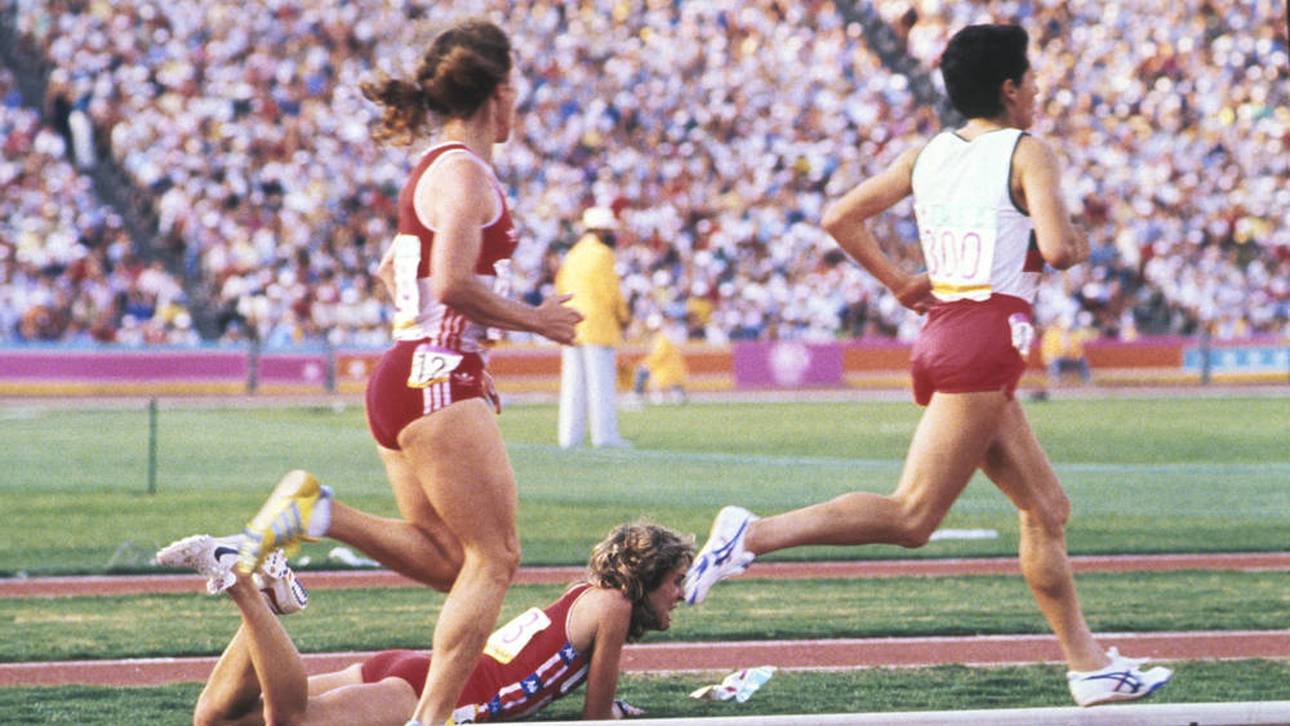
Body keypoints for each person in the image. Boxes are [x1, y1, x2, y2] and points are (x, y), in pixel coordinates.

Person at [682, 24, 1171, 709]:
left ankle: (1088, 666)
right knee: (913, 516)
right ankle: (752, 533)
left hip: (948, 327)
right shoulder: (1029, 151)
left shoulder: (929, 153)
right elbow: (1058, 250)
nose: (1036, 90)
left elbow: (840, 217)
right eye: (1030, 79)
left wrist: (899, 282)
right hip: (987, 335)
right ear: (1009, 88)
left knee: (1046, 508)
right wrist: (1082, 240)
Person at [233, 20, 582, 726]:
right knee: (498, 559)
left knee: (453, 561)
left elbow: (397, 270)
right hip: (436, 374)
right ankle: (433, 720)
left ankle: (318, 512)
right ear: (498, 93)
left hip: (408, 373)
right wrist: (534, 320)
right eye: (515, 88)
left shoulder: (433, 168)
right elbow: (450, 281)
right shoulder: (462, 171)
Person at [159, 522, 692, 725]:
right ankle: (249, 590)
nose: (681, 595)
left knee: (217, 720)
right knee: (290, 723)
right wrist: (612, 711)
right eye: (675, 581)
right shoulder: (616, 607)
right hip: (433, 694)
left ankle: (269, 599)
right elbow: (593, 721)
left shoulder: (588, 597)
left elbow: (550, 666)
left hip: (418, 673)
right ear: (645, 577)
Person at [556, 206, 632, 449]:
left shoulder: (573, 254)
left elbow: (561, 287)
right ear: (600, 231)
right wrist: (623, 315)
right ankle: (605, 436)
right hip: (598, 324)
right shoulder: (602, 254)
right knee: (601, 385)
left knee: (573, 387)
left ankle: (569, 438)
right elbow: (611, 290)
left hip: (573, 325)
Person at [628, 313, 689, 407]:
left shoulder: (661, 338)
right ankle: (677, 394)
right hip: (667, 367)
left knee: (642, 372)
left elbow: (658, 355)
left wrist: (645, 363)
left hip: (666, 368)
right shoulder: (662, 336)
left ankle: (638, 396)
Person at [1041, 312, 1094, 386]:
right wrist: (1050, 358)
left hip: (1070, 359)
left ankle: (1087, 381)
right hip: (1057, 360)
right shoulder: (1051, 333)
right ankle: (1055, 381)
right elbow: (1048, 351)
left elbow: (1078, 350)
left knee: (1082, 360)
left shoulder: (1074, 334)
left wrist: (1075, 355)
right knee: (1054, 361)